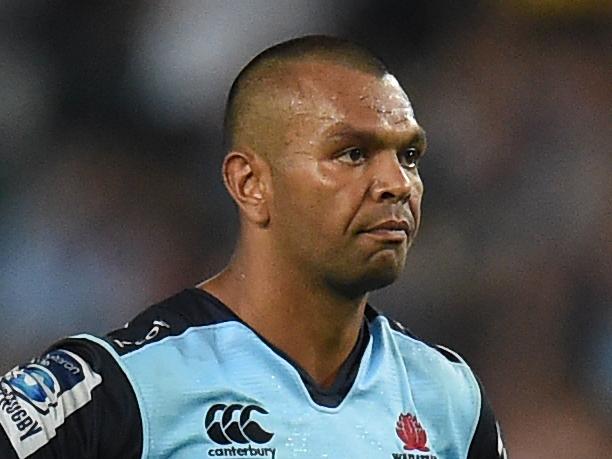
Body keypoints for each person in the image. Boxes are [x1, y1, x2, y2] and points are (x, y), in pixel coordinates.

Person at [0, 35, 507, 458]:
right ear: (249, 184)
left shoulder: (449, 399)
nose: (396, 183)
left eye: (410, 155)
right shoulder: (122, 386)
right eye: (352, 154)